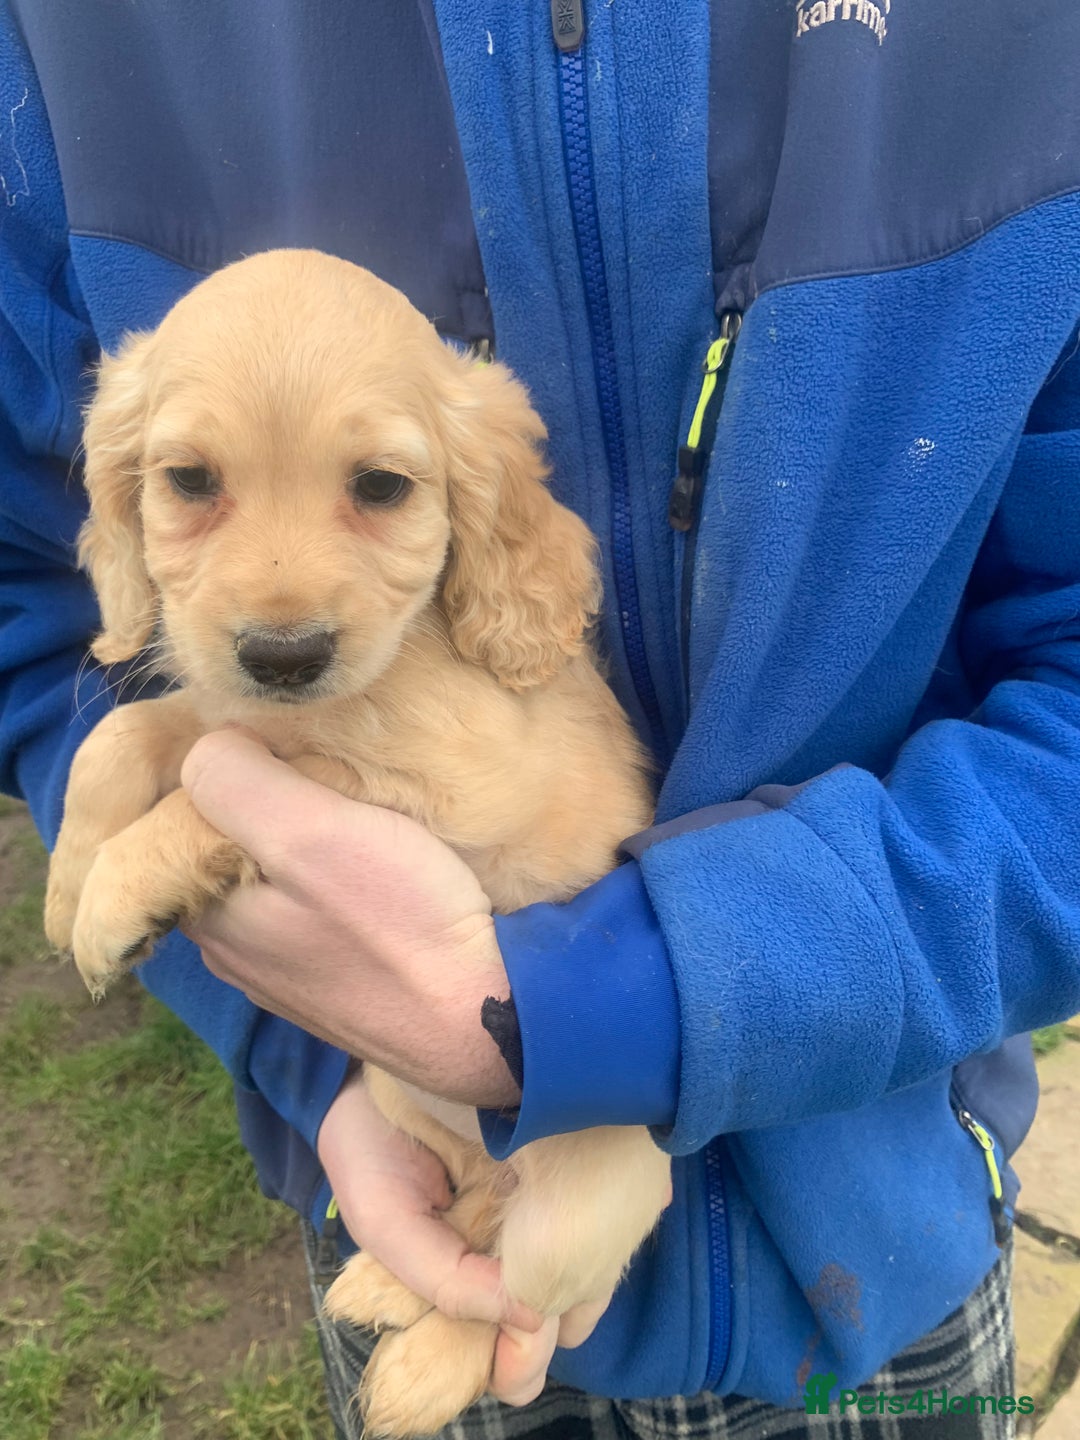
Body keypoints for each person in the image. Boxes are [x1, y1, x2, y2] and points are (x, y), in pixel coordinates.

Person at [3, 2, 1080, 1436]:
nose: (279, 612)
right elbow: (29, 590)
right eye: (192, 484)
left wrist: (616, 1009)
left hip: (873, 1232)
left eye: (378, 488)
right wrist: (313, 1067)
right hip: (381, 1178)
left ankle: (489, 1309)